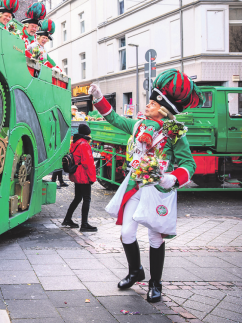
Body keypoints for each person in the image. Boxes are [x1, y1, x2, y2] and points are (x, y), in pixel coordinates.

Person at [89, 69, 203, 303]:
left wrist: (172, 178)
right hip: (136, 186)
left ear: (162, 108)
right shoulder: (139, 125)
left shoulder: (174, 133)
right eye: (149, 102)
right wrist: (99, 99)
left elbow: (189, 164)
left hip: (158, 191)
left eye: (152, 103)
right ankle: (135, 271)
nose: (147, 105)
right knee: (126, 233)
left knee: (155, 238)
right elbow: (116, 119)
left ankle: (155, 283)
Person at [62, 124, 97, 232]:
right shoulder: (84, 144)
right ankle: (84, 224)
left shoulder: (75, 142)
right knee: (86, 199)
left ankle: (67, 219)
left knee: (78, 198)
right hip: (83, 175)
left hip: (77, 174)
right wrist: (92, 178)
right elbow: (88, 163)